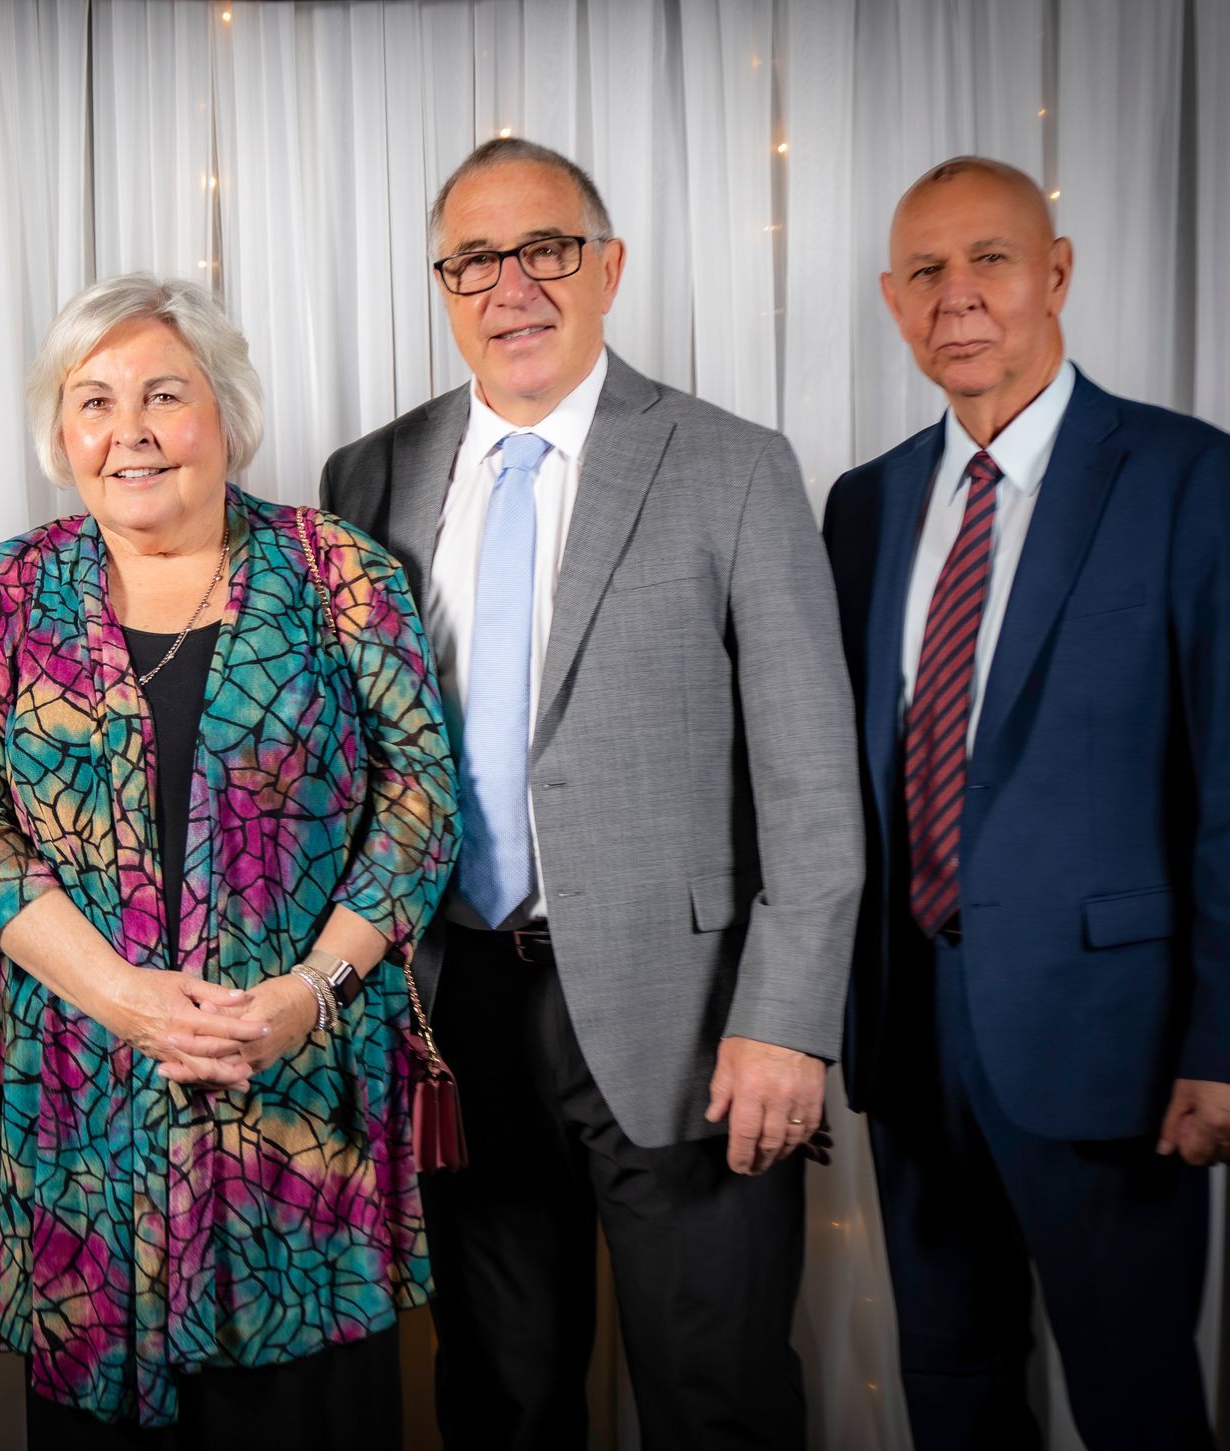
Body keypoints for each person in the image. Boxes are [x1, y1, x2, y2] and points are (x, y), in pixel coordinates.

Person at [320, 137, 862, 1449]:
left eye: (545, 249)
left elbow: (811, 779)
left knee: (715, 1393)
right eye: (474, 260)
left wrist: (786, 1021)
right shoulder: (365, 479)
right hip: (457, 1008)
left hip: (693, 1025)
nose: (512, 285)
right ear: (443, 287)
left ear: (607, 266)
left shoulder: (731, 464)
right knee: (502, 1396)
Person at [0, 272, 460, 1447]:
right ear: (61, 433)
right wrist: (124, 998)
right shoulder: (3, 593)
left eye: (164, 394)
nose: (131, 432)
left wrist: (306, 994)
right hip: (82, 1122)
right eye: (94, 401)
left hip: (302, 1118)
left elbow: (422, 804)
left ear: (223, 409)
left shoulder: (340, 572)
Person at [822, 156, 1230, 1449]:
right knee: (954, 1387)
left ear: (1058, 273)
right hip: (909, 1033)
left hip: (1117, 1045)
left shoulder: (1188, 478)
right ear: (890, 298)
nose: (956, 296)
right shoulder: (863, 506)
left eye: (989, 260)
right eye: (925, 270)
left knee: (1136, 1397)